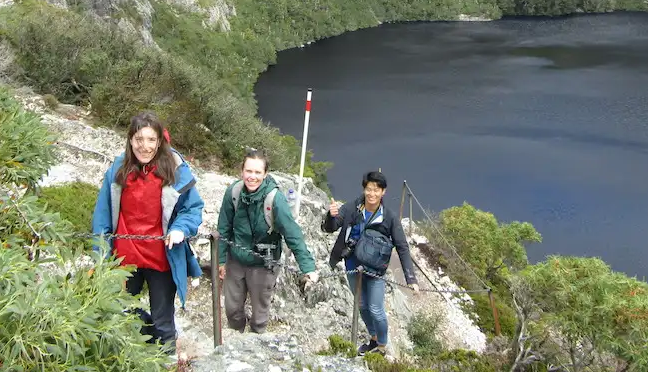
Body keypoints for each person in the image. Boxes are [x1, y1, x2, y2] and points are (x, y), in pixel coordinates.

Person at [92, 112, 204, 352]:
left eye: (151, 140)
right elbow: (102, 216)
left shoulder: (176, 171)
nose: (145, 146)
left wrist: (179, 229)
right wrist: (99, 255)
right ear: (131, 140)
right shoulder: (118, 170)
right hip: (125, 258)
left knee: (163, 321)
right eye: (139, 139)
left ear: (160, 142)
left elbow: (193, 209)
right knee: (120, 315)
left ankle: (165, 362)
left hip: (161, 257)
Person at [217, 148, 319, 333]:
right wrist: (221, 260)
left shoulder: (274, 200)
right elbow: (223, 227)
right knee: (232, 310)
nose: (252, 176)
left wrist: (308, 267)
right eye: (248, 171)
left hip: (264, 263)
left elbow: (292, 233)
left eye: (257, 172)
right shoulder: (234, 192)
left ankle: (257, 340)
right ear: (242, 171)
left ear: (265, 174)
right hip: (237, 259)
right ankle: (237, 336)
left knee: (259, 314)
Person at [322, 170, 418, 357]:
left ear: (383, 192)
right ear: (364, 189)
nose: (372, 194)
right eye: (369, 189)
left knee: (376, 308)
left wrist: (411, 278)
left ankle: (382, 346)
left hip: (375, 270)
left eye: (376, 190)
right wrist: (331, 216)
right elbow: (330, 228)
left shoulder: (389, 217)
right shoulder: (352, 208)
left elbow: (402, 247)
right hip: (352, 266)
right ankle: (373, 339)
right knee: (362, 305)